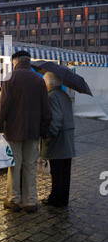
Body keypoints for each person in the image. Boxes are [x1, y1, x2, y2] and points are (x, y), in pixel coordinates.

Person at [0, 51, 51, 213]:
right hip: (33, 132)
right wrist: (43, 130)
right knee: (30, 166)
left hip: (13, 131)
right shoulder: (39, 80)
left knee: (14, 165)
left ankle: (13, 200)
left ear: (16, 61)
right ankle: (31, 201)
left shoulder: (10, 78)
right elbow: (46, 111)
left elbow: (3, 106)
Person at [41, 72, 75, 207]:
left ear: (50, 84)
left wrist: (49, 134)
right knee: (65, 171)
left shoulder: (52, 96)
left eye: (45, 82)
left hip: (58, 139)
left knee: (57, 172)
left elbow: (57, 118)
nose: (45, 85)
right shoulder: (64, 95)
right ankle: (63, 199)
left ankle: (55, 200)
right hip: (67, 138)